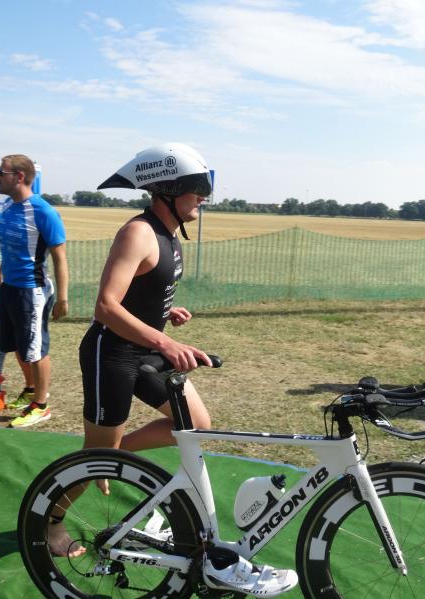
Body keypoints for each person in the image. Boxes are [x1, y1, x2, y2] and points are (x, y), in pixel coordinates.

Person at [45, 143, 298, 597]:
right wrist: (165, 341)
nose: (204, 197)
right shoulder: (138, 233)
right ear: (166, 188)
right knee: (92, 459)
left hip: (143, 349)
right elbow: (106, 307)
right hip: (111, 355)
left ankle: (114, 457)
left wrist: (165, 312)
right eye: (198, 188)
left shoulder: (168, 234)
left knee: (196, 424)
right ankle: (52, 523)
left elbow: (142, 289)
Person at [0, 154, 68, 428]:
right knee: (16, 345)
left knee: (35, 348)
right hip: (10, 288)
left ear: (19, 177)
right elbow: (9, 250)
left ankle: (41, 405)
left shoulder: (43, 212)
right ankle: (31, 389)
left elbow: (60, 257)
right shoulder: (9, 206)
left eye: (1, 173)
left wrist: (63, 298)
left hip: (31, 291)